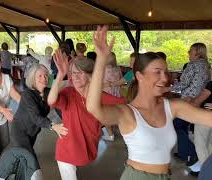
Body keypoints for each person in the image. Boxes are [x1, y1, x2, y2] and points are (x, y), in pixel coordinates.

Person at [87, 25, 212, 180]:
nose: (165, 78)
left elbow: (208, 118)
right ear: (140, 76)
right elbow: (93, 108)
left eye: (165, 72)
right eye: (157, 72)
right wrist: (100, 60)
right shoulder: (127, 113)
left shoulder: (172, 106)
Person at [48, 50, 125, 180]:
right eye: (73, 73)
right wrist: (61, 75)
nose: (75, 77)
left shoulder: (99, 97)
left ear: (90, 76)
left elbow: (125, 105)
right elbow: (51, 100)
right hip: (67, 147)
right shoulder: (69, 93)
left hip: (86, 147)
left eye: (81, 73)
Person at [10, 63, 67, 164]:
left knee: (23, 157)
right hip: (19, 131)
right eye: (40, 76)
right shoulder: (27, 94)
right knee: (29, 160)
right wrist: (53, 126)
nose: (44, 78)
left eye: (45, 75)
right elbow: (36, 117)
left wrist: (68, 120)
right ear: (33, 78)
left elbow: (59, 106)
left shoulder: (48, 92)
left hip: (33, 131)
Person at [172, 43, 210, 169]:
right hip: (200, 101)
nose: (188, 52)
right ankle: (186, 152)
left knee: (178, 125)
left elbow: (183, 84)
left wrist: (167, 88)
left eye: (191, 50)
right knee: (185, 126)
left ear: (198, 52)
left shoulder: (192, 65)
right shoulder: (207, 66)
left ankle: (189, 152)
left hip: (188, 101)